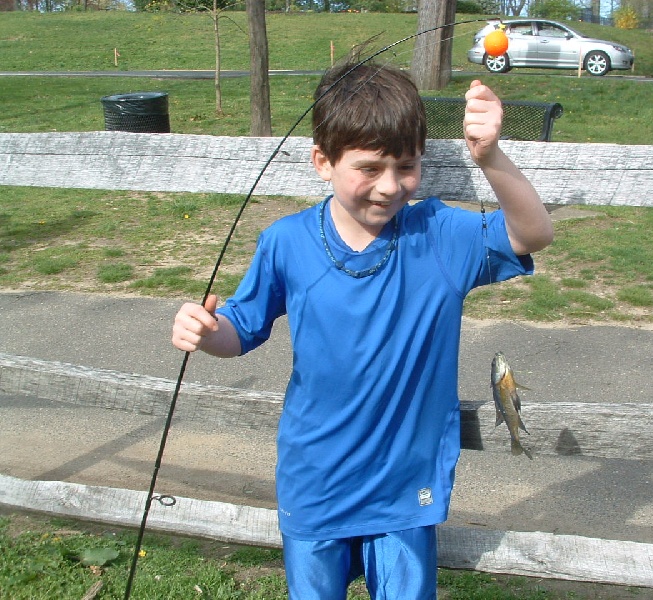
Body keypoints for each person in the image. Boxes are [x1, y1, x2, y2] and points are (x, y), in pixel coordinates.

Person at [172, 60, 553, 599]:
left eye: (407, 165)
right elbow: (241, 327)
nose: (391, 186)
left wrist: (489, 155)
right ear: (322, 162)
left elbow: (533, 233)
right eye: (370, 168)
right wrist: (207, 332)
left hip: (404, 491)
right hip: (315, 484)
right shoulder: (285, 241)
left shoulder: (440, 234)